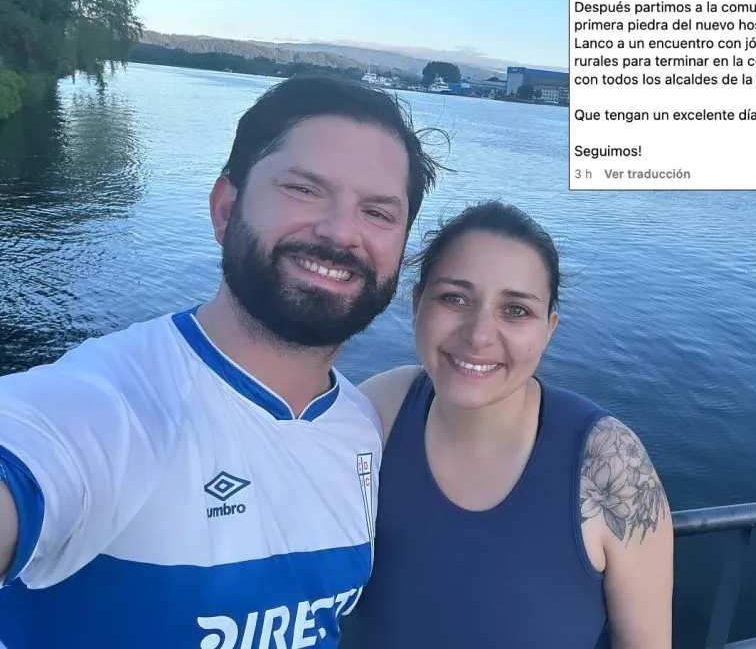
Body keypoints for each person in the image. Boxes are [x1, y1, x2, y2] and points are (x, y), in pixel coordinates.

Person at [0, 74, 444, 648]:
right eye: (304, 189)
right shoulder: (113, 404)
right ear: (225, 207)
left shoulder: (358, 429)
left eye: (378, 213)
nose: (340, 232)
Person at [350, 200, 674, 648]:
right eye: (455, 298)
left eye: (516, 310)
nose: (479, 334)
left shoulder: (611, 465)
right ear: (417, 303)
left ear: (549, 329)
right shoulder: (379, 410)